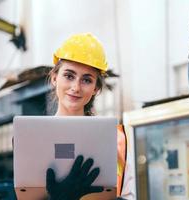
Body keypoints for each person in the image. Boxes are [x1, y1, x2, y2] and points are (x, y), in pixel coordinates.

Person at [46, 33, 135, 200]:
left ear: (96, 88)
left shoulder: (114, 140)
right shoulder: (35, 137)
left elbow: (128, 194)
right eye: (69, 76)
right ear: (54, 78)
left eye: (86, 80)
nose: (76, 87)